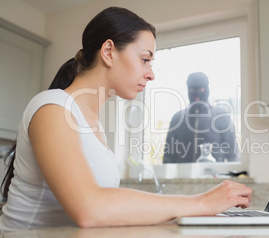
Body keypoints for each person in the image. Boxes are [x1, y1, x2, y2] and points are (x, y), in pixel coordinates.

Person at [0, 7, 251, 231]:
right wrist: (201, 203)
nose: (151, 74)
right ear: (108, 51)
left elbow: (106, 208)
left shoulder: (93, 126)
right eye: (145, 60)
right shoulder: (51, 107)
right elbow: (89, 208)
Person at [163, 72, 240, 163]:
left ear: (207, 89)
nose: (197, 94)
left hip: (214, 175)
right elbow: (168, 157)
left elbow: (233, 155)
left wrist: (235, 176)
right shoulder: (177, 118)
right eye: (192, 89)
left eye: (201, 89)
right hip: (183, 175)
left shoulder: (221, 116)